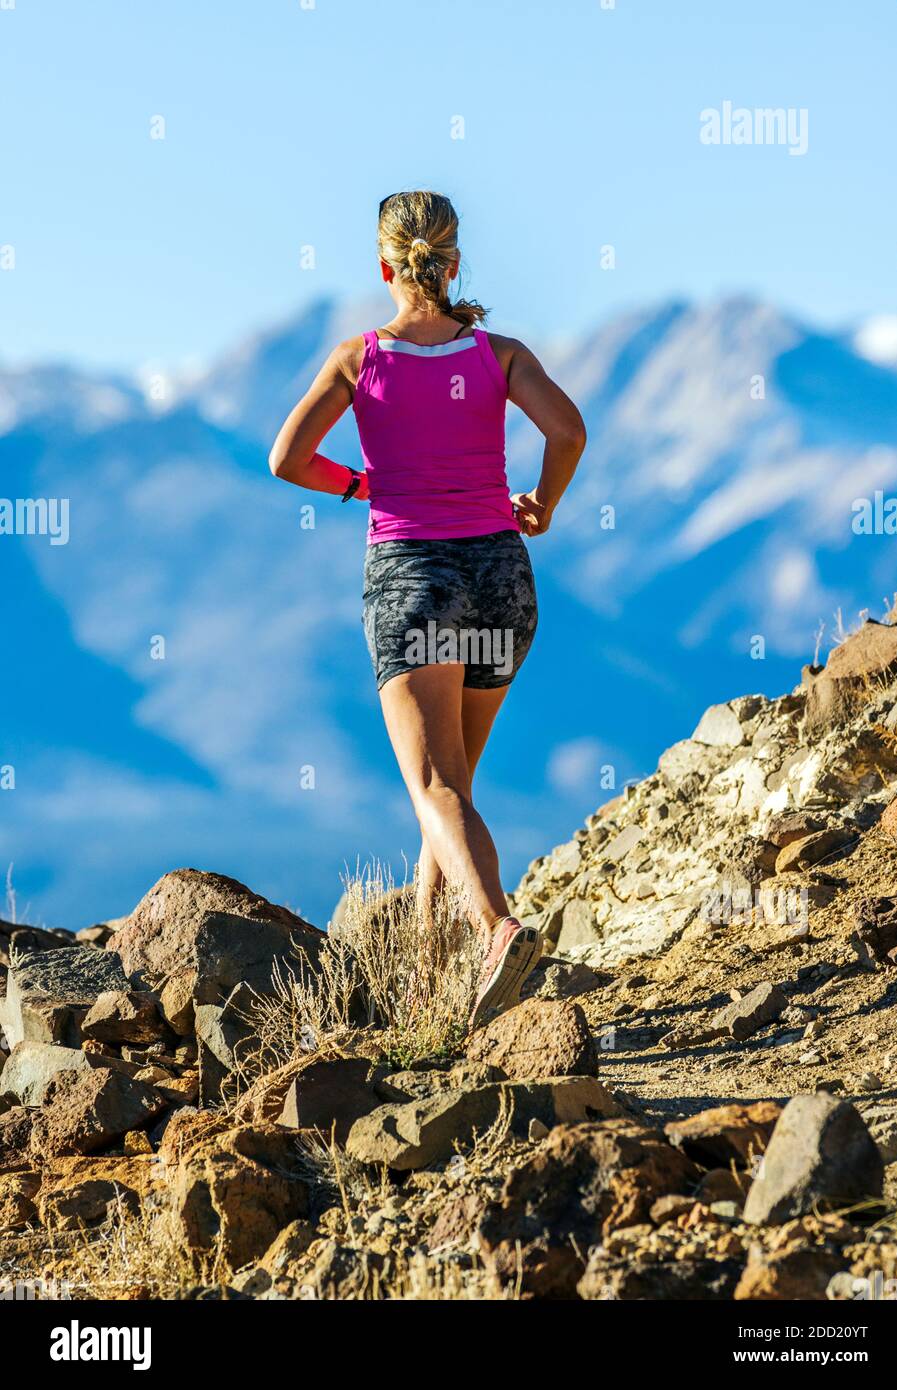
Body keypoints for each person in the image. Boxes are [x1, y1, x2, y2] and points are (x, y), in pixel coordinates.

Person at [269, 190, 586, 1025]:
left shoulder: (358, 358)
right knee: (453, 790)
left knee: (436, 785)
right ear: (453, 262)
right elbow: (570, 432)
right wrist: (543, 506)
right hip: (501, 579)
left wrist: (359, 483)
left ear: (386, 266)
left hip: (414, 577)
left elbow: (287, 459)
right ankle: (423, 984)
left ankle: (497, 927)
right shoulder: (500, 355)